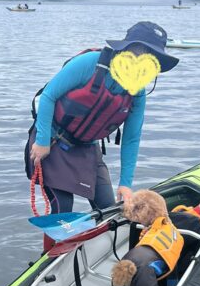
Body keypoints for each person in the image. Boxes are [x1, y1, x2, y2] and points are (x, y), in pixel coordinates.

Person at [25, 22, 179, 221]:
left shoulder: (137, 93)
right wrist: (43, 141)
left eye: (152, 56)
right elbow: (48, 96)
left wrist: (125, 184)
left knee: (110, 211)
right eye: (140, 51)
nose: (143, 59)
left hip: (87, 148)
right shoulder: (90, 63)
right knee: (62, 210)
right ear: (126, 48)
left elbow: (131, 139)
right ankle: (55, 252)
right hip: (53, 142)